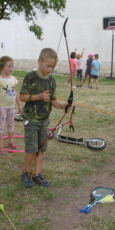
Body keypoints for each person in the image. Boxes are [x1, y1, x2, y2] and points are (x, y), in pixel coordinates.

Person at [20, 48, 71, 188]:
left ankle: (37, 174)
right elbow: (22, 97)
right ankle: (26, 172)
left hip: (44, 121)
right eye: (48, 66)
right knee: (31, 148)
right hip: (31, 120)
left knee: (41, 148)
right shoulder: (30, 77)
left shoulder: (52, 80)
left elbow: (52, 100)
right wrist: (39, 97)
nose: (50, 69)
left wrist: (62, 106)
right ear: (39, 62)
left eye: (53, 67)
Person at [0, 56, 22, 154]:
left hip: (11, 107)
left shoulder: (13, 79)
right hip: (2, 107)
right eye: (9, 66)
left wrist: (19, 105)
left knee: (11, 125)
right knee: (1, 126)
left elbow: (16, 93)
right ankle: (0, 146)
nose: (11, 68)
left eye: (12, 66)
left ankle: (10, 142)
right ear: (2, 67)